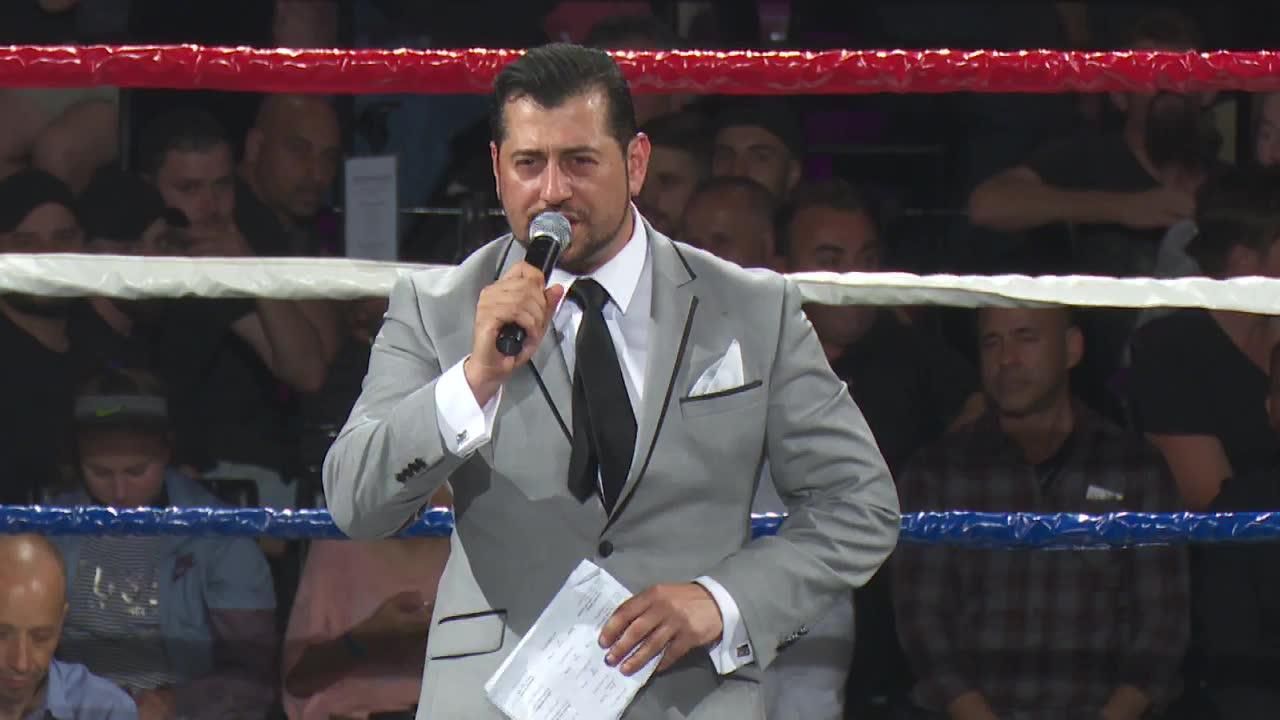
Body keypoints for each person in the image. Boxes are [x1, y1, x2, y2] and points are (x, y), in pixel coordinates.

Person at [323, 42, 901, 719]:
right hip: (494, 697)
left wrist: (722, 602)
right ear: (497, 169)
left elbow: (859, 502)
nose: (552, 191)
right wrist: (473, 379)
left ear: (635, 163)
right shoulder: (438, 308)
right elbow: (356, 503)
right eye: (529, 164)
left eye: (579, 161)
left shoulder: (750, 308)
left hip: (687, 696)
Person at [894, 307, 1190, 720]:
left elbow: (1163, 622)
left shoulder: (1135, 467)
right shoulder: (936, 473)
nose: (1006, 358)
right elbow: (923, 625)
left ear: (1072, 348)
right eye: (991, 342)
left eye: (1026, 337)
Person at [50, 368, 279, 719]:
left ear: (167, 449)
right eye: (100, 473)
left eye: (136, 471)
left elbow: (255, 674)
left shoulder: (220, 536)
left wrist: (175, 703)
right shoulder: (48, 530)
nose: (119, 493)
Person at [0, 533, 136, 719]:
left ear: (61, 621)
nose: (21, 663)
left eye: (41, 638)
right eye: (1, 635)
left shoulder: (108, 710)